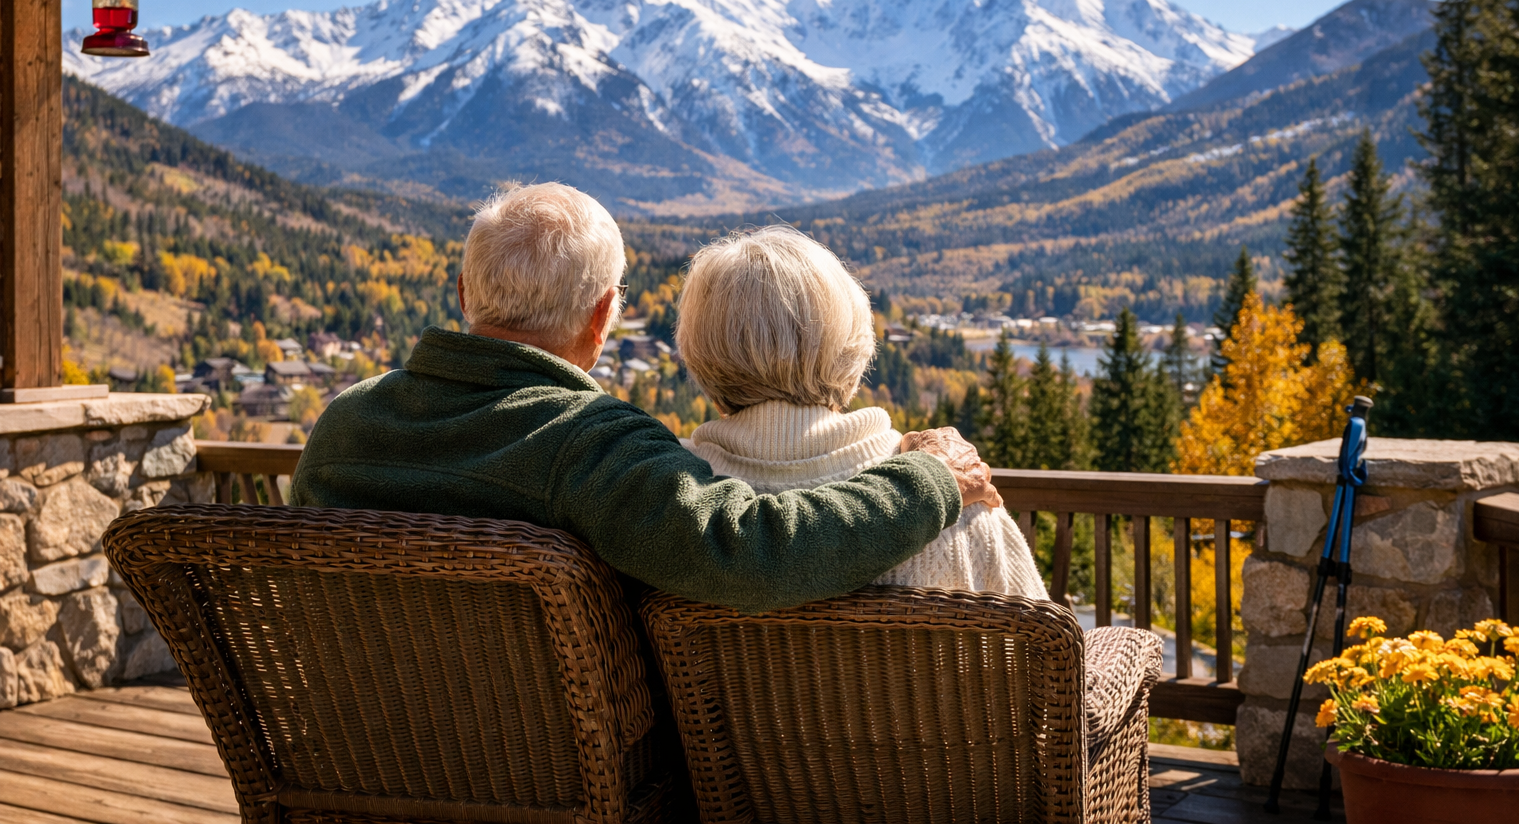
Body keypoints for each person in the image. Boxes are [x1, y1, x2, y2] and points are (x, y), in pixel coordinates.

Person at [290, 182, 1000, 614]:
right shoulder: (590, 443)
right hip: (541, 781)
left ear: (464, 295)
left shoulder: (343, 425)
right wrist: (929, 479)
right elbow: (752, 555)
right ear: (603, 318)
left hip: (346, 757)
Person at [676, 225, 1049, 599]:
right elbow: (1048, 651)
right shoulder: (961, 497)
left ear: (699, 358)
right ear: (852, 351)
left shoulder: (672, 512)